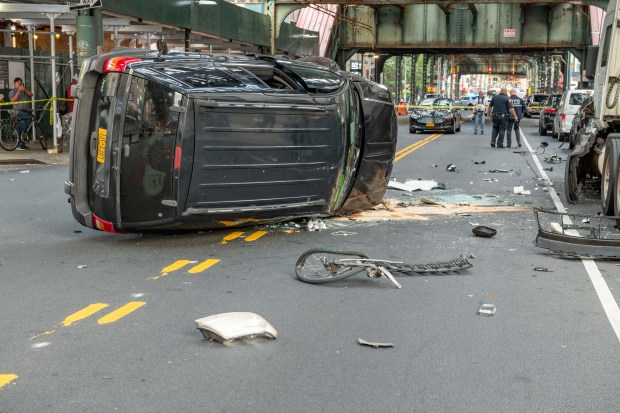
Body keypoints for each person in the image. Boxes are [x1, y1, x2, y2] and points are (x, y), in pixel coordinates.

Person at [8, 77, 33, 150]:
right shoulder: (13, 91)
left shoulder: (24, 90)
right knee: (20, 128)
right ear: (15, 83)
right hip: (18, 112)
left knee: (25, 128)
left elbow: (31, 94)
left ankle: (22, 143)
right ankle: (18, 145)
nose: (20, 83)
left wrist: (24, 89)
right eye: (19, 82)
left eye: (21, 82)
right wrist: (19, 91)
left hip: (26, 111)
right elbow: (13, 100)